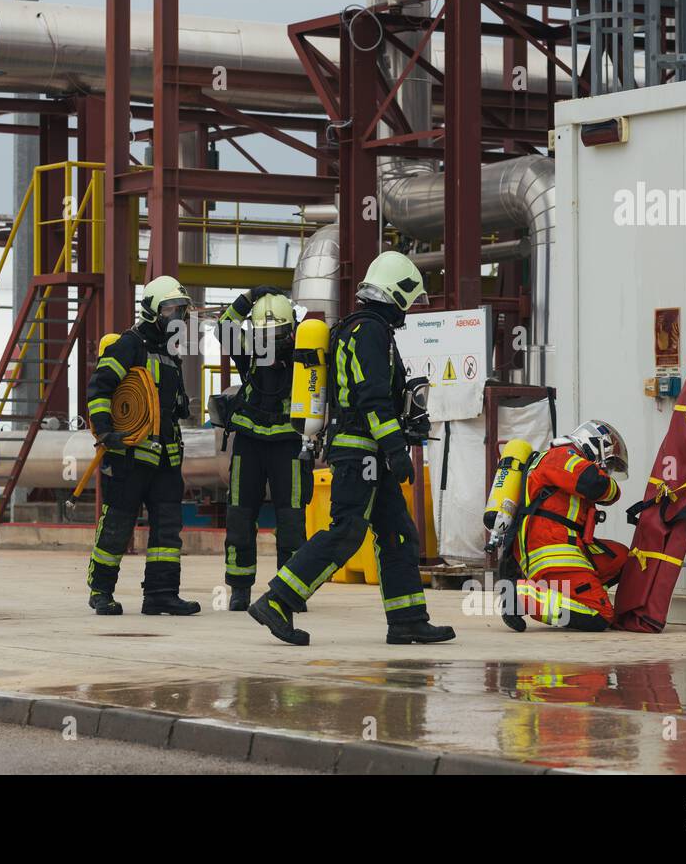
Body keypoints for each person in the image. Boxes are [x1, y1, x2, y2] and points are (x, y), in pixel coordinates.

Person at [248, 251, 455, 646]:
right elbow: (371, 397)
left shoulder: (365, 329)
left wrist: (405, 423)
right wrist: (395, 447)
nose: (407, 312)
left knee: (397, 533)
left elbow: (378, 396)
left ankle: (408, 619)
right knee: (346, 532)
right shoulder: (369, 332)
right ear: (396, 294)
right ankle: (278, 600)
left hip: (370, 452)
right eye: (407, 302)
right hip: (361, 453)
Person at [84, 275, 200, 617]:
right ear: (152, 311)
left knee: (168, 530)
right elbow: (100, 388)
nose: (177, 316)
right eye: (171, 309)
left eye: (181, 310)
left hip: (166, 460)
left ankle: (161, 595)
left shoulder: (170, 354)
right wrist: (105, 432)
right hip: (129, 458)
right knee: (118, 525)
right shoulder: (128, 345)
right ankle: (101, 591)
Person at [214, 286, 309, 611]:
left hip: (289, 445)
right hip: (249, 444)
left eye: (279, 333)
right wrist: (248, 297)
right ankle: (240, 588)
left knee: (292, 520)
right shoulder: (248, 350)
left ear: (292, 328)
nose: (272, 341)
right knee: (240, 515)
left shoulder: (304, 351)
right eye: (265, 334)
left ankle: (291, 590)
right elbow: (223, 328)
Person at [502, 420, 629, 632]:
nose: (608, 470)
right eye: (609, 464)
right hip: (553, 551)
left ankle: (577, 595)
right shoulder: (562, 456)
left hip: (566, 546)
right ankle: (523, 597)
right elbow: (595, 484)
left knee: (625, 559)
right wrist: (613, 488)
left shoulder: (560, 460)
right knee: (600, 616)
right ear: (595, 445)